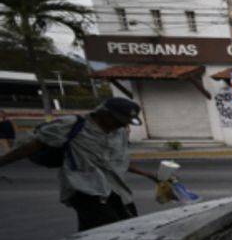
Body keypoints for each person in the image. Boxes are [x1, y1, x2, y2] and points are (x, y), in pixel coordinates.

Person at [0, 97, 158, 231]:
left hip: (117, 191)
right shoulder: (72, 125)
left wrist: (148, 174)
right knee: (109, 231)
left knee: (130, 226)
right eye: (119, 121)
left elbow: (117, 162)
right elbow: (32, 145)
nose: (122, 126)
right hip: (85, 189)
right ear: (103, 114)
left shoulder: (120, 133)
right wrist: (3, 161)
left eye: (125, 123)